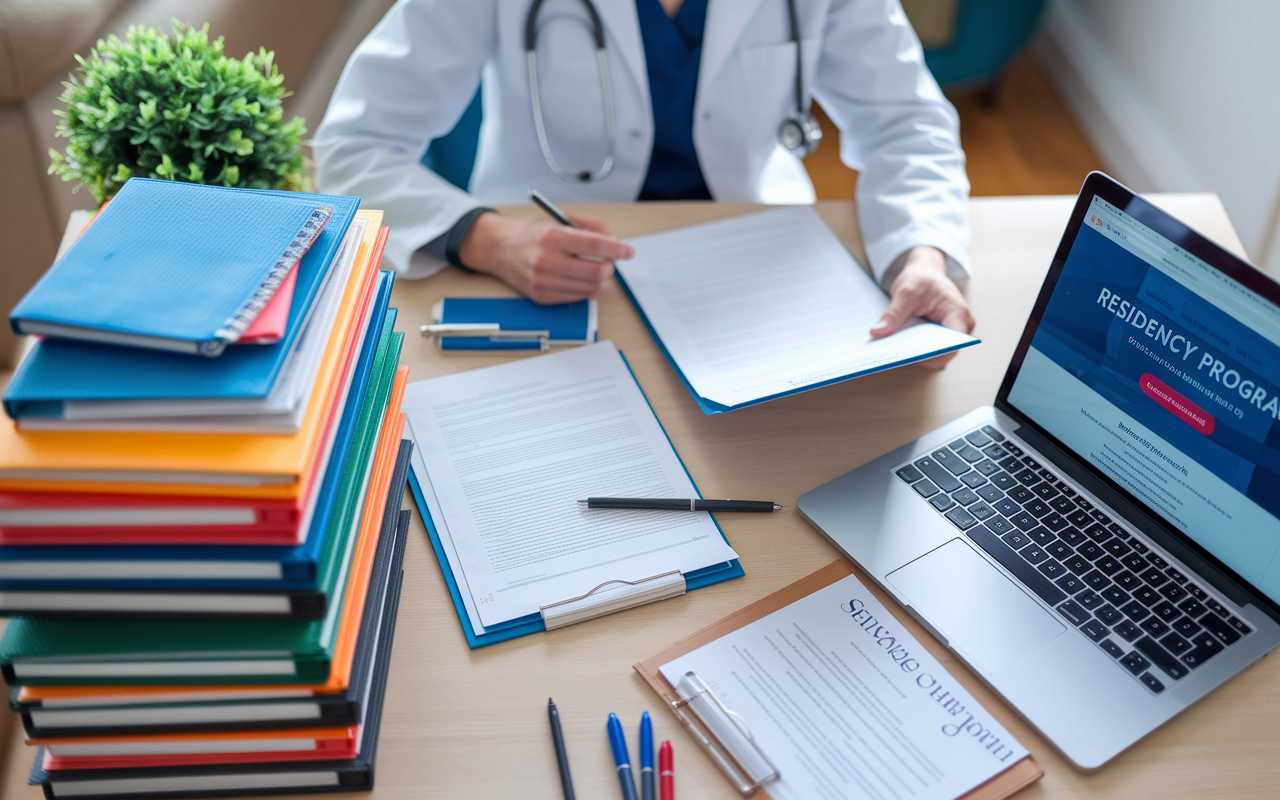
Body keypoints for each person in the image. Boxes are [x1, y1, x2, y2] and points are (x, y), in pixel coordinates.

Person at [312, 0, 974, 355]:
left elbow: (906, 124)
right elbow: (354, 144)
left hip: (757, 276)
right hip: (552, 279)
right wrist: (488, 240)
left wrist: (921, 255)